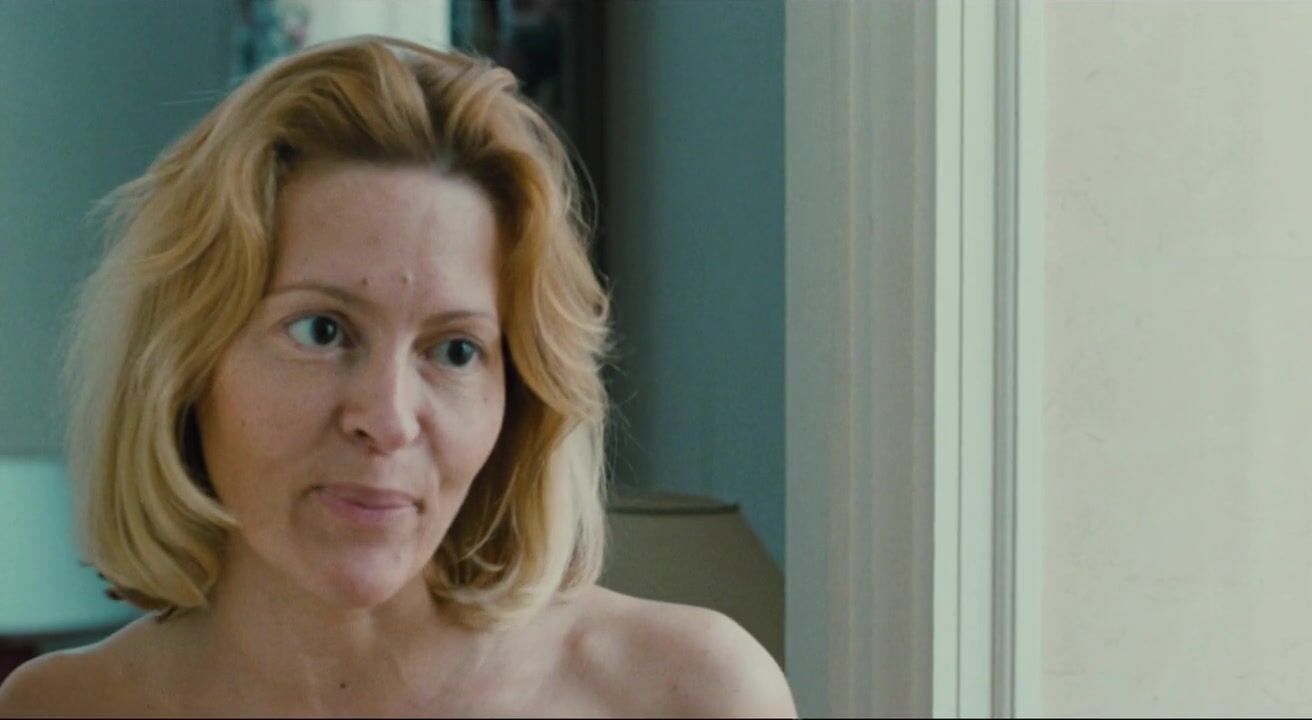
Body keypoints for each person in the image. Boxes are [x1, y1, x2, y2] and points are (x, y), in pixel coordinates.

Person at [0, 36, 797, 717]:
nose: (387, 418)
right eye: (322, 331)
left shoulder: (686, 694)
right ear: (185, 365)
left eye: (455, 351)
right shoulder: (60, 708)